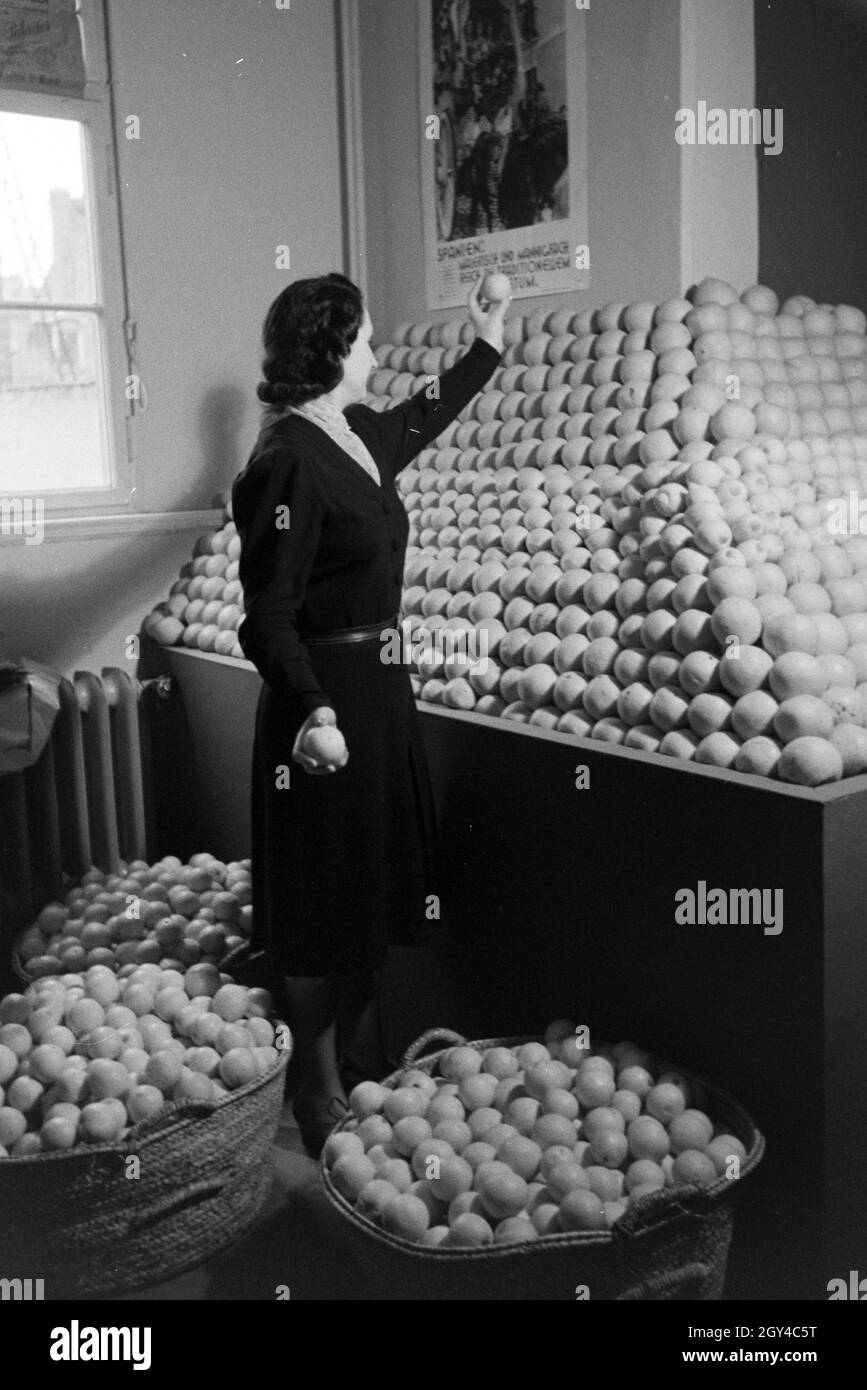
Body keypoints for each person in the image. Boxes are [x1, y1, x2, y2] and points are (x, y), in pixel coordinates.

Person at [231, 272, 508, 1154]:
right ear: (331, 351)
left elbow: (422, 415)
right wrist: (311, 710)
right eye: (363, 338)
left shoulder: (350, 435)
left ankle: (348, 1055)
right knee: (321, 905)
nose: (377, 348)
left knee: (368, 890)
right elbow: (265, 614)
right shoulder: (286, 461)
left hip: (380, 696)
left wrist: (487, 343)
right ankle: (314, 1090)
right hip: (325, 714)